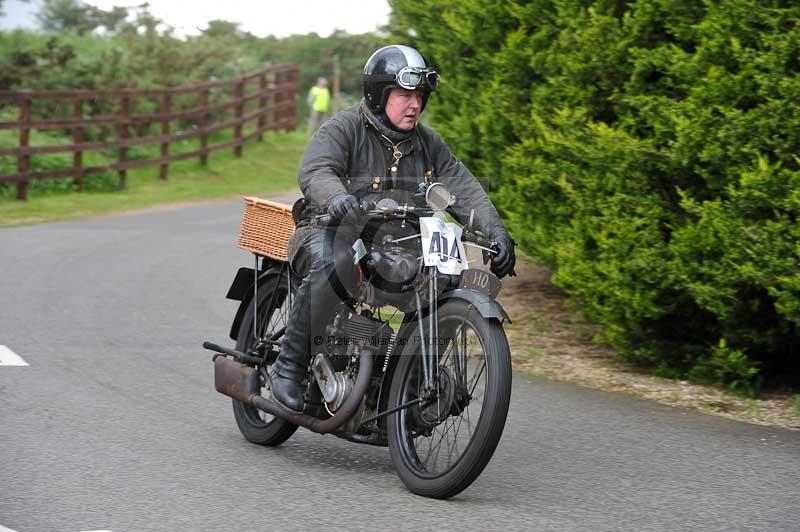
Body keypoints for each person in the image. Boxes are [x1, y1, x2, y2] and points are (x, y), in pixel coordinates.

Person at [270, 44, 516, 412]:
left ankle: (406, 389)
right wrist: (337, 197)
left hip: (394, 246)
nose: (414, 104)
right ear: (379, 93)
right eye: (404, 94)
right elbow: (315, 169)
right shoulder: (346, 127)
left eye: (419, 95)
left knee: (444, 276)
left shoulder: (428, 143)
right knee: (334, 262)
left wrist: (495, 231)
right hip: (329, 231)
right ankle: (288, 367)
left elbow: (462, 187)